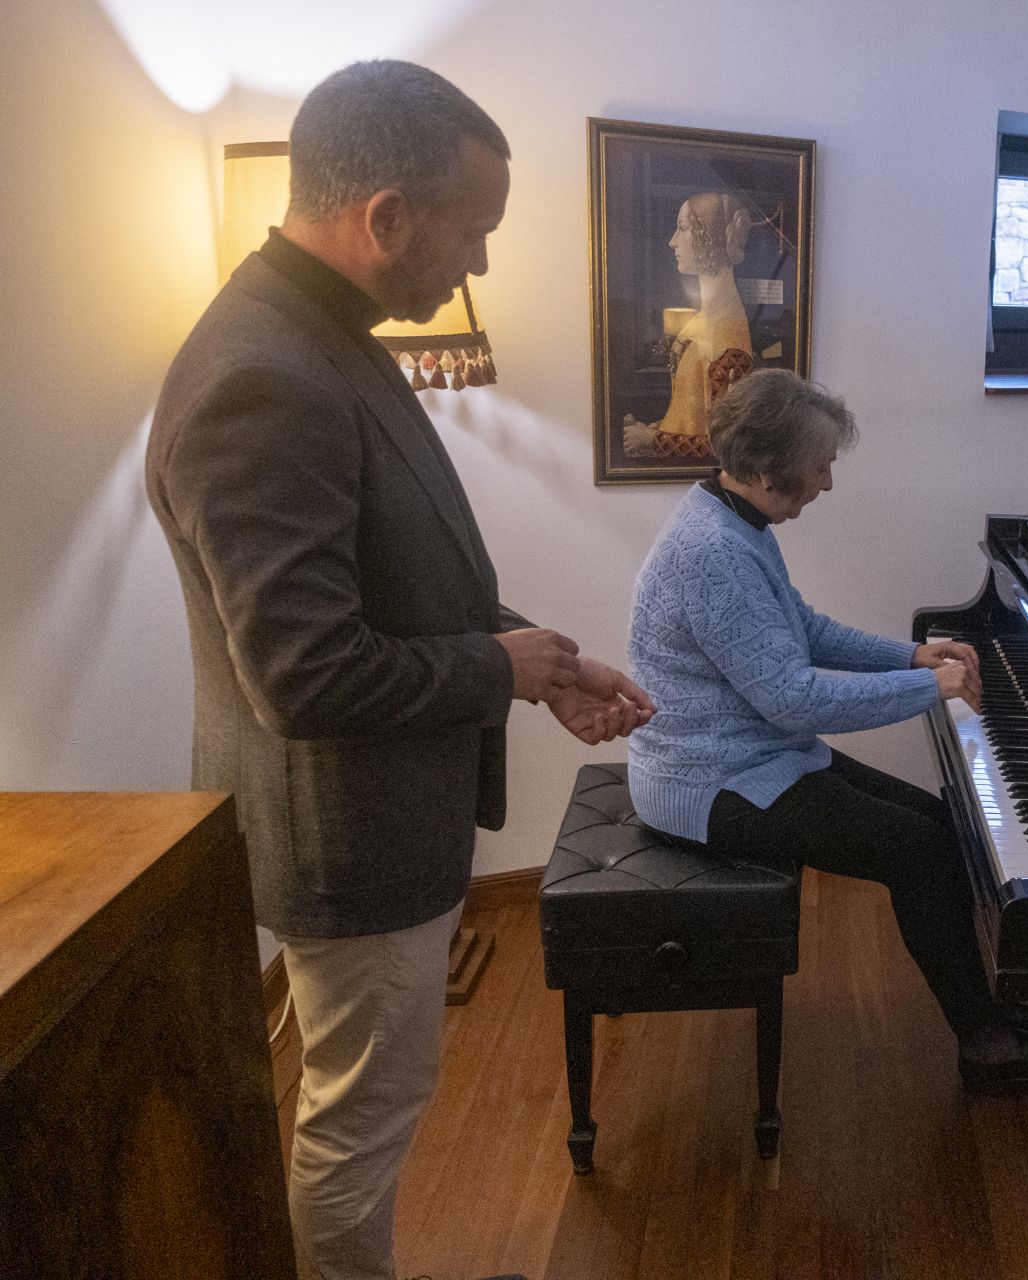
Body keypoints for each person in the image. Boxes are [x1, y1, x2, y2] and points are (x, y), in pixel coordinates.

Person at [146, 60, 653, 1280]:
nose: (473, 265)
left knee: (368, 1101)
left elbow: (403, 572)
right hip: (347, 835)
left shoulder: (322, 329)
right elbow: (308, 674)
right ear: (384, 217)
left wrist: (544, 662)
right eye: (472, 231)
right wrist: (497, 664)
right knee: (359, 1121)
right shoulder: (265, 375)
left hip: (372, 819)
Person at [625, 368, 1028, 1089]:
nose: (827, 483)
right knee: (917, 852)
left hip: (754, 758)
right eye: (820, 465)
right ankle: (986, 1045)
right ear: (772, 466)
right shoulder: (713, 551)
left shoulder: (730, 516)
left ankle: (994, 1001)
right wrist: (928, 687)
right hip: (708, 781)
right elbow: (795, 700)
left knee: (939, 823)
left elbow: (800, 629)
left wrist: (907, 654)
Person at [621, 191, 755, 460]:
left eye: (682, 228)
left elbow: (727, 447)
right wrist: (659, 428)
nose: (672, 242)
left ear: (708, 238)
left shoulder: (727, 333)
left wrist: (651, 439)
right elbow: (691, 414)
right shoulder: (707, 316)